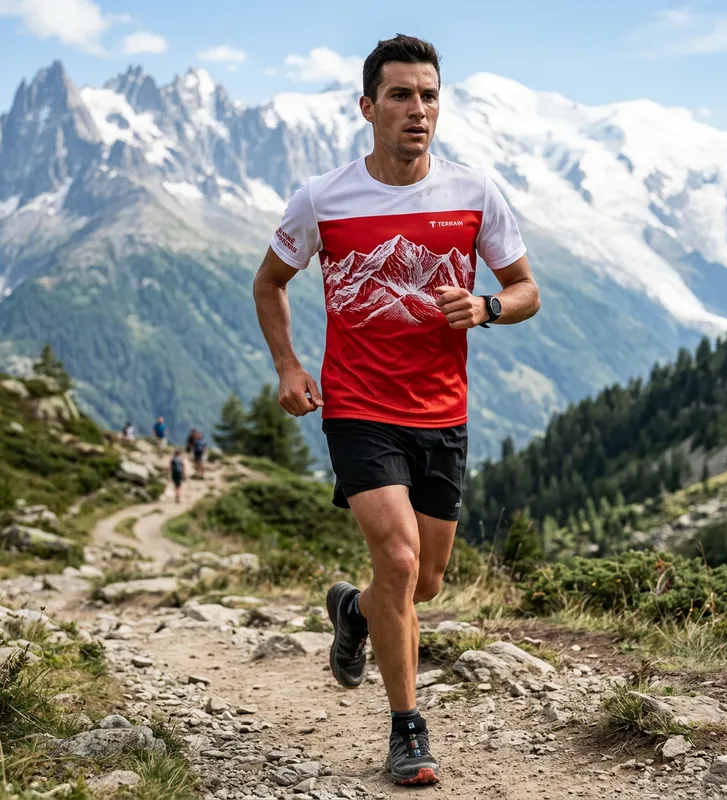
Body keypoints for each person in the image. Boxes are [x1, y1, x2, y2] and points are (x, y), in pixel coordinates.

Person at [252, 34, 540, 787]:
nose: (418, 110)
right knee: (401, 558)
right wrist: (288, 365)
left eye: (430, 96)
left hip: (442, 411)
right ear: (367, 106)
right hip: (357, 407)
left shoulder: (475, 193)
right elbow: (270, 283)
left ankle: (354, 613)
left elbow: (526, 291)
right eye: (402, 95)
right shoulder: (324, 197)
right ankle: (407, 730)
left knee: (425, 583)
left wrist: (484, 306)